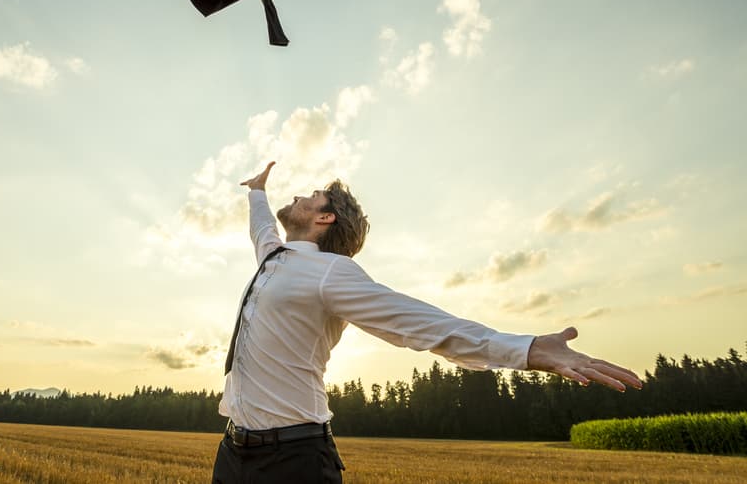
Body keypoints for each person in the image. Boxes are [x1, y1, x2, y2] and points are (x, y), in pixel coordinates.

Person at [211, 161, 643, 484]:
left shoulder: (331, 272)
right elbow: (262, 229)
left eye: (313, 196)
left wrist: (526, 349)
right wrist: (256, 192)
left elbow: (419, 323)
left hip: (294, 462)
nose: (301, 196)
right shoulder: (273, 256)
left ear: (325, 218)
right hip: (232, 453)